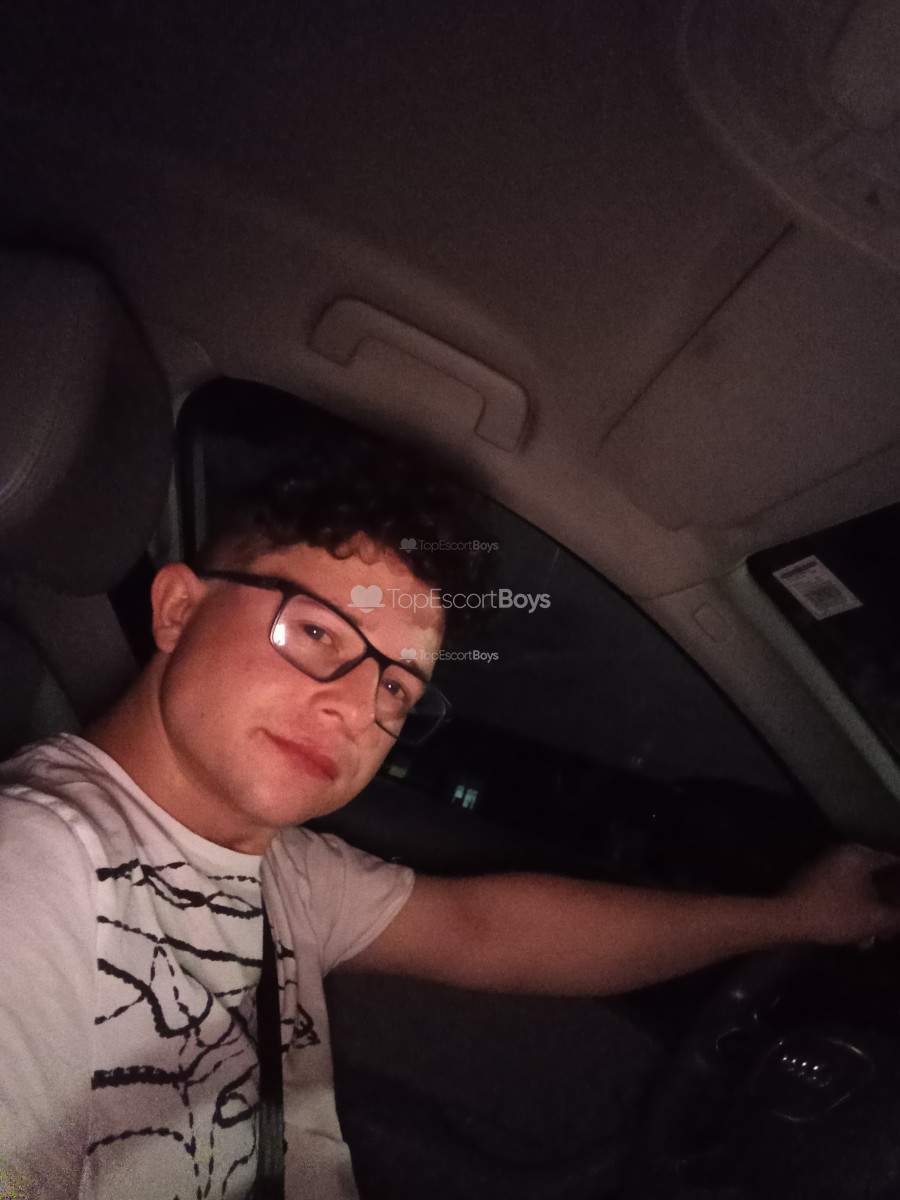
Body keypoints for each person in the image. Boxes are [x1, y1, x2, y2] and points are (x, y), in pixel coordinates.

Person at [1, 444, 898, 1200]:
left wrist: (792, 917)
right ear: (178, 609)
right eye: (317, 633)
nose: (356, 709)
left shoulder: (286, 871)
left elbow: (488, 929)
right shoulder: (36, 867)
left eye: (395, 685)